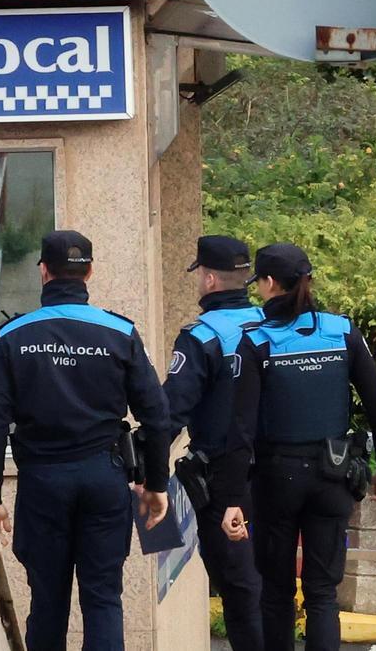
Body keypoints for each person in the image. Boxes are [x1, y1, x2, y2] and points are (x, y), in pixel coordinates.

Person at [0, 229, 174, 651]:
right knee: (103, 598)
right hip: (104, 478)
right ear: (90, 272)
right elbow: (157, 417)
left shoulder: (13, 336)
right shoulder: (120, 332)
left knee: (48, 602)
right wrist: (157, 484)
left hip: (43, 483)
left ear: (43, 271)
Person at [217, 243, 376, 651]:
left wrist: (232, 498)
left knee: (276, 592)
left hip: (277, 480)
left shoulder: (256, 341)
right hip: (334, 474)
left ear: (269, 283)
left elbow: (241, 428)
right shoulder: (342, 331)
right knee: (322, 594)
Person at [162, 235, 264, 651]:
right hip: (283, 471)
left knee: (239, 589)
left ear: (208, 279)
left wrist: (147, 471)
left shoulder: (201, 337)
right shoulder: (273, 324)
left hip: (224, 480)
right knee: (272, 585)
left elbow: (171, 412)